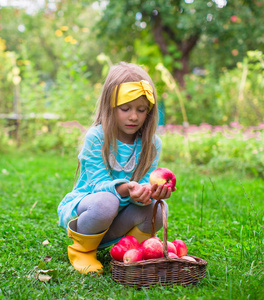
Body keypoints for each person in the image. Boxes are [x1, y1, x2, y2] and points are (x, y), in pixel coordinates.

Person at [57, 62, 176, 274]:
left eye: (141, 110)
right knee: (106, 202)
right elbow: (97, 185)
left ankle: (130, 248)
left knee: (159, 210)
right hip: (90, 211)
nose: (134, 117)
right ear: (109, 107)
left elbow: (146, 181)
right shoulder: (97, 138)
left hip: (121, 218)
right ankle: (82, 251)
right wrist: (126, 188)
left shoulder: (152, 143)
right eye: (125, 109)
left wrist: (152, 192)